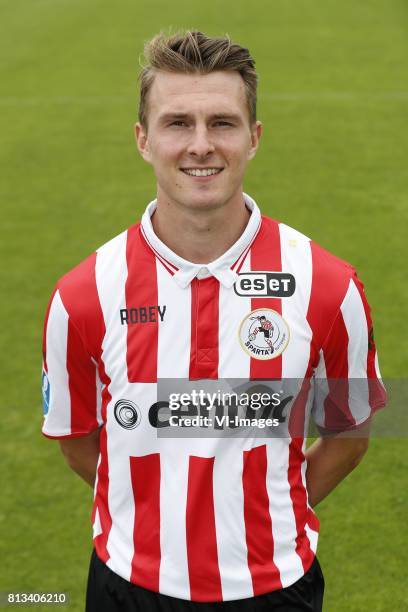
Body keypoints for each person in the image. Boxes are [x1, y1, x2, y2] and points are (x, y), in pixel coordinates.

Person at [41, 30, 387, 611]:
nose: (201, 145)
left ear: (253, 139)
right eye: (177, 123)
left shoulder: (330, 287)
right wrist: (151, 503)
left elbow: (349, 434)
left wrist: (269, 506)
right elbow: (79, 443)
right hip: (127, 586)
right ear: (143, 140)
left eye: (221, 123)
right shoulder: (82, 296)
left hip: (276, 588)